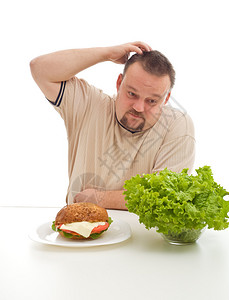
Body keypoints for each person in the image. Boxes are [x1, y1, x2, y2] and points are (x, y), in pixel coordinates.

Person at [30, 41, 195, 210]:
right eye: (132, 93)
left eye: (151, 101)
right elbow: (39, 69)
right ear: (119, 83)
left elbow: (166, 196)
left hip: (143, 235)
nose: (138, 107)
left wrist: (99, 199)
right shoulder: (88, 104)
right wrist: (106, 53)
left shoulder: (177, 124)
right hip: (80, 230)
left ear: (166, 99)